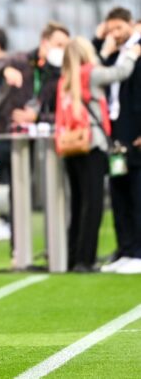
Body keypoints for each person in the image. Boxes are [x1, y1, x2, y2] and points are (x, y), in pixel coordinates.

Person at [0, 22, 69, 272]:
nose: (61, 50)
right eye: (58, 44)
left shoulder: (58, 74)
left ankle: (18, 250)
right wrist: (5, 69)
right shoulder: (20, 60)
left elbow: (60, 112)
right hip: (1, 136)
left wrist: (36, 117)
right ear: (45, 42)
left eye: (64, 46)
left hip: (29, 143)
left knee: (20, 196)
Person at [55, 37, 140, 272]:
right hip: (91, 145)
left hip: (71, 146)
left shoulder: (66, 78)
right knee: (93, 204)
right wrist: (132, 54)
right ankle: (86, 259)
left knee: (77, 203)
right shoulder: (90, 73)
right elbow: (120, 73)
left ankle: (73, 256)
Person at [93, 7, 141, 274]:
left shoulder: (138, 50)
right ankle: (125, 249)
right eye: (111, 30)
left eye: (119, 28)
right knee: (119, 191)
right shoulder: (113, 54)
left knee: (136, 193)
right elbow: (92, 71)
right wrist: (100, 39)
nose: (115, 34)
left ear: (131, 24)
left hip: (135, 131)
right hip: (115, 131)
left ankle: (139, 253)